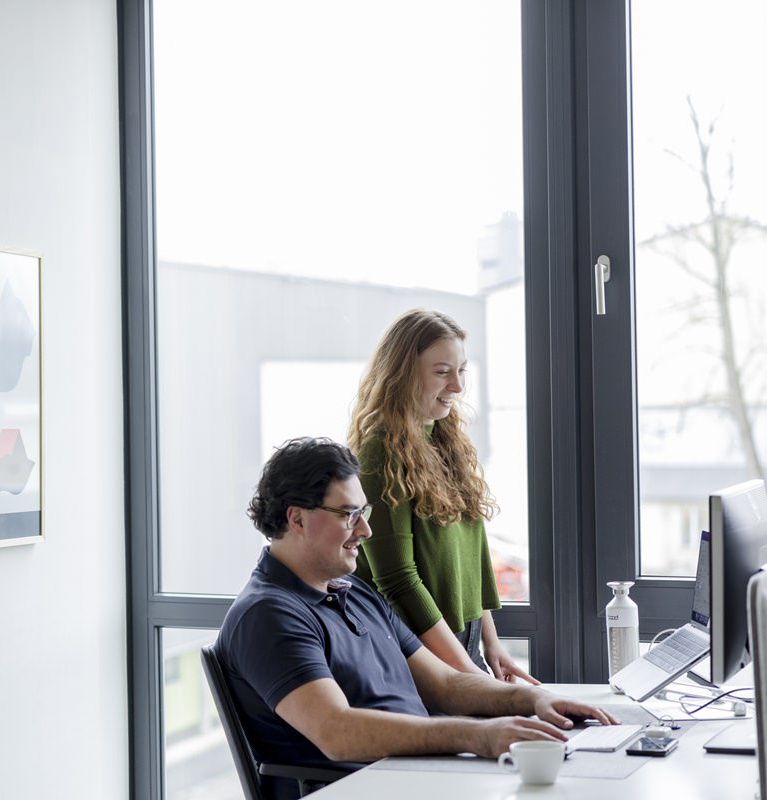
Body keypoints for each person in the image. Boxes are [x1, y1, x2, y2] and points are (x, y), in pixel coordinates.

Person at [215, 438, 613, 800]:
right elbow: (337, 731)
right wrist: (479, 736)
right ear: (297, 519)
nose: (366, 530)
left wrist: (533, 700)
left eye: (364, 512)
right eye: (349, 514)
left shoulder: (354, 592)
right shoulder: (268, 614)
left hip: (417, 776)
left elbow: (445, 684)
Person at [347, 309, 532, 682]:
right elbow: (398, 579)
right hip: (417, 651)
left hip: (461, 643)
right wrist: (466, 674)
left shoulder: (447, 441)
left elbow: (473, 555)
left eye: (462, 371)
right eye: (442, 372)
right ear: (400, 373)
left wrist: (492, 644)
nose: (458, 387)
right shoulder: (380, 451)